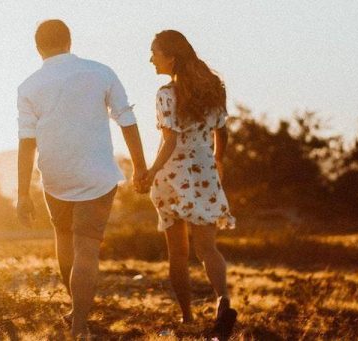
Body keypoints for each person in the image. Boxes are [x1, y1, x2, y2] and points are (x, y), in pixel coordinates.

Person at [16, 19, 149, 338]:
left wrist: (22, 194)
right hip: (97, 175)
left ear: (38, 48)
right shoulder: (101, 72)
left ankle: (77, 311)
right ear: (69, 42)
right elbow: (127, 120)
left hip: (55, 176)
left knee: (64, 240)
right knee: (86, 248)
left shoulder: (29, 86)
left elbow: (26, 142)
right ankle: (79, 326)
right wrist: (141, 168)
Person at [138, 29, 238, 339]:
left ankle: (186, 318)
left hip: (172, 178)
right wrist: (218, 161)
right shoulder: (213, 90)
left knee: (178, 254)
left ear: (171, 56)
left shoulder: (166, 94)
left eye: (154, 52)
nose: (150, 59)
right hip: (205, 175)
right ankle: (223, 301)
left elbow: (170, 140)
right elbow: (222, 131)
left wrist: (151, 170)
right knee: (208, 249)